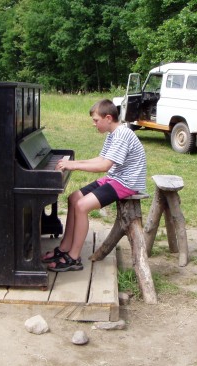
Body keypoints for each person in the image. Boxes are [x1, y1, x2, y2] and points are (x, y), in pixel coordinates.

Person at [42, 99, 147, 272]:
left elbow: (103, 166)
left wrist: (73, 165)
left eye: (96, 120)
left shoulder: (122, 134)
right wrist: (74, 162)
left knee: (82, 206)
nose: (94, 124)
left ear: (108, 118)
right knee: (73, 197)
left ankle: (74, 258)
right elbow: (101, 159)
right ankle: (64, 247)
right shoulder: (112, 134)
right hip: (115, 178)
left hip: (127, 182)